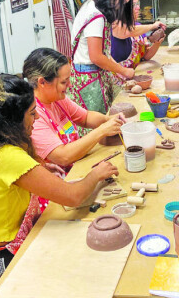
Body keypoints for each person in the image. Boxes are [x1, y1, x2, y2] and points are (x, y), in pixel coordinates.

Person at [0, 65, 118, 298]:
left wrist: (35, 169)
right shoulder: (7, 157)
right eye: (31, 113)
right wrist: (96, 174)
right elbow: (73, 196)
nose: (37, 117)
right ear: (11, 120)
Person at [23, 48, 126, 210]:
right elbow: (62, 156)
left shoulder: (56, 98)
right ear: (42, 82)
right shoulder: (34, 114)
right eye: (64, 82)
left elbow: (84, 117)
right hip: (57, 190)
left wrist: (109, 120)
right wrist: (102, 131)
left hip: (74, 173)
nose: (69, 86)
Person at [68, 0, 135, 119]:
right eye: (123, 1)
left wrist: (118, 70)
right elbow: (96, 57)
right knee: (98, 124)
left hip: (90, 73)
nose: (122, 6)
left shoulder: (91, 4)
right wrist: (124, 71)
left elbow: (103, 53)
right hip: (89, 80)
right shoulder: (96, 16)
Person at [111, 0, 165, 69]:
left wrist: (157, 43)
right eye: (134, 5)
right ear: (122, 7)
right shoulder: (115, 26)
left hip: (134, 73)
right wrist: (153, 26)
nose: (138, 8)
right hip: (117, 73)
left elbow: (146, 56)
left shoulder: (139, 26)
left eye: (138, 4)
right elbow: (129, 31)